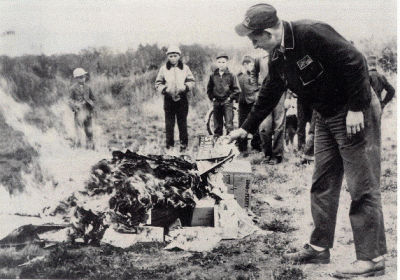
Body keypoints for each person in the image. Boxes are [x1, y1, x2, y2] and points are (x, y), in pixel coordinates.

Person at [231, 3, 386, 278]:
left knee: (361, 185)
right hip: (324, 116)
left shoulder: (311, 33)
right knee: (322, 183)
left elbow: (355, 61)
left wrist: (356, 107)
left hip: (352, 111)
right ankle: (318, 248)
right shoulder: (277, 56)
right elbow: (270, 91)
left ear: (268, 32)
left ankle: (371, 259)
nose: (254, 46)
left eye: (255, 40)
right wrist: (246, 128)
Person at [250, 53, 292, 164]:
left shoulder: (282, 55)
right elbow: (253, 73)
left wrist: (288, 97)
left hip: (280, 95)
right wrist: (255, 91)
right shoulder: (259, 57)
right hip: (264, 95)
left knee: (279, 125)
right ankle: (267, 154)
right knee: (264, 126)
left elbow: (290, 76)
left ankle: (277, 155)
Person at [155, 46, 195, 152]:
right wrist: (164, 89)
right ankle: (170, 147)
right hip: (169, 100)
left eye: (175, 56)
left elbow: (191, 81)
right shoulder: (163, 69)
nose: (173, 58)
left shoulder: (185, 68)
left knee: (182, 124)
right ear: (168, 56)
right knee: (169, 125)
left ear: (179, 56)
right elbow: (158, 83)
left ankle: (184, 147)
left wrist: (185, 87)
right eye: (171, 56)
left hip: (182, 100)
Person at [206, 52, 240, 137]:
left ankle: (229, 145)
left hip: (227, 102)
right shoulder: (213, 75)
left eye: (223, 62)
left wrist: (229, 98)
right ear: (217, 63)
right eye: (219, 62)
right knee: (217, 125)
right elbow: (209, 88)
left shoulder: (231, 75)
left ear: (227, 63)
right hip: (216, 102)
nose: (221, 64)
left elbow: (237, 89)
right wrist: (212, 98)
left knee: (229, 124)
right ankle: (217, 144)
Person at [69, 68, 95, 150]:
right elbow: (70, 100)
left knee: (89, 131)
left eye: (84, 77)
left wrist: (90, 103)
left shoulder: (88, 87)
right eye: (80, 77)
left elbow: (93, 99)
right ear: (76, 79)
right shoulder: (72, 88)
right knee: (79, 132)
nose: (83, 79)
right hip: (79, 113)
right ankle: (79, 150)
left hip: (87, 113)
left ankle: (90, 149)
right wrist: (75, 106)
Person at [236, 55, 258, 152]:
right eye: (250, 65)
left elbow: (256, 86)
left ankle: (256, 145)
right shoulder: (238, 76)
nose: (252, 67)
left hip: (252, 102)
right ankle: (242, 147)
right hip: (242, 103)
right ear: (244, 65)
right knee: (242, 124)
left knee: (255, 123)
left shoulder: (252, 75)